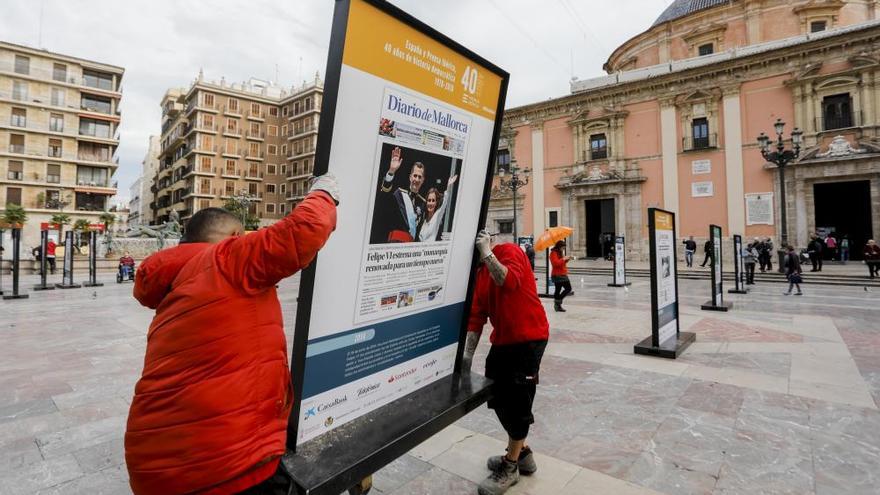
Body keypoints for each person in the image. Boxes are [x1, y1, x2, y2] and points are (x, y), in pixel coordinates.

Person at [124, 175, 339, 495]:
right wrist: (324, 191)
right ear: (236, 236)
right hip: (222, 466)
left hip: (151, 465)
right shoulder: (228, 259)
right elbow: (305, 229)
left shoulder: (177, 280)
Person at [462, 231, 549, 495]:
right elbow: (476, 318)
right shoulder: (478, 276)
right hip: (503, 341)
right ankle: (522, 453)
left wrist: (487, 253)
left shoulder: (509, 251)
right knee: (497, 394)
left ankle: (511, 466)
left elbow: (508, 281)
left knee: (519, 399)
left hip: (529, 338)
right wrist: (465, 361)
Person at [379, 147, 426, 243]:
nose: (416, 180)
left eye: (419, 177)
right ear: (410, 177)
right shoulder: (399, 194)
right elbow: (384, 196)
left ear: (423, 180)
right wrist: (391, 171)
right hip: (395, 244)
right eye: (415, 175)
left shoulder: (422, 202)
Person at [417, 175, 458, 242]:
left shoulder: (437, 216)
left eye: (433, 201)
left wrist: (449, 186)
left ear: (436, 203)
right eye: (429, 200)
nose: (430, 203)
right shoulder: (423, 218)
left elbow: (444, 204)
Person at [549, 240, 573, 312]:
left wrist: (567, 259)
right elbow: (555, 264)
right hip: (558, 275)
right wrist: (563, 259)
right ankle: (558, 302)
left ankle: (557, 306)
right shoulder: (553, 253)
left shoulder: (559, 252)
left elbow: (561, 263)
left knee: (558, 289)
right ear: (559, 246)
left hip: (562, 273)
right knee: (568, 288)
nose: (563, 249)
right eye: (562, 248)